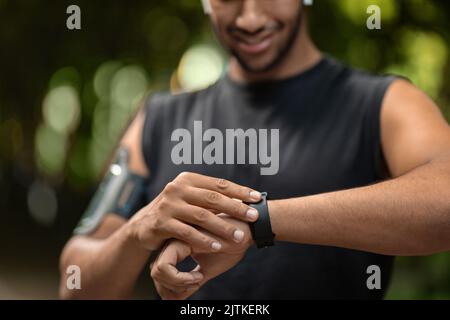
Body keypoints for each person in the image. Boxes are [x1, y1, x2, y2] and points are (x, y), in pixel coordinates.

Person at [59, 0, 450, 300]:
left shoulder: (382, 103)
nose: (249, 19)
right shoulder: (160, 117)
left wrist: (259, 221)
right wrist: (138, 231)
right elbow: (74, 283)